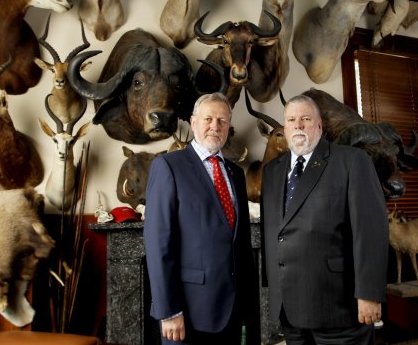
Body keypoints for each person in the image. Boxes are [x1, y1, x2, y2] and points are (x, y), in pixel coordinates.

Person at [260, 94, 389, 345]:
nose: (298, 126)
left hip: (338, 307)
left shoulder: (351, 161)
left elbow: (371, 232)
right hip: (290, 310)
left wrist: (369, 294)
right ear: (284, 128)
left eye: (306, 119)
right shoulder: (272, 172)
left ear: (319, 126)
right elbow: (275, 232)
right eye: (292, 120)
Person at [144, 92, 259, 345]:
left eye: (222, 121)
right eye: (208, 119)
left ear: (229, 127)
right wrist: (169, 311)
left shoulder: (236, 174)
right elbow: (158, 246)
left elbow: (239, 244)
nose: (214, 127)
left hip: (231, 311)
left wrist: (248, 310)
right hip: (186, 313)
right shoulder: (168, 167)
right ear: (194, 122)